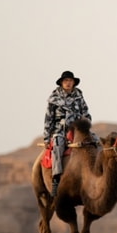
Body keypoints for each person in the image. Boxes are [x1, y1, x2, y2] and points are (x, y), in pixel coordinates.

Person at [42, 70, 91, 198]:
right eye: (66, 81)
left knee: (94, 141)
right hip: (60, 130)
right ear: (61, 83)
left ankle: (94, 174)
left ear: (74, 83)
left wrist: (86, 123)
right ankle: (55, 179)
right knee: (58, 145)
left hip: (78, 129)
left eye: (70, 81)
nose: (68, 83)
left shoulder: (78, 96)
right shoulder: (54, 99)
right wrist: (47, 138)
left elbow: (85, 112)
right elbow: (48, 119)